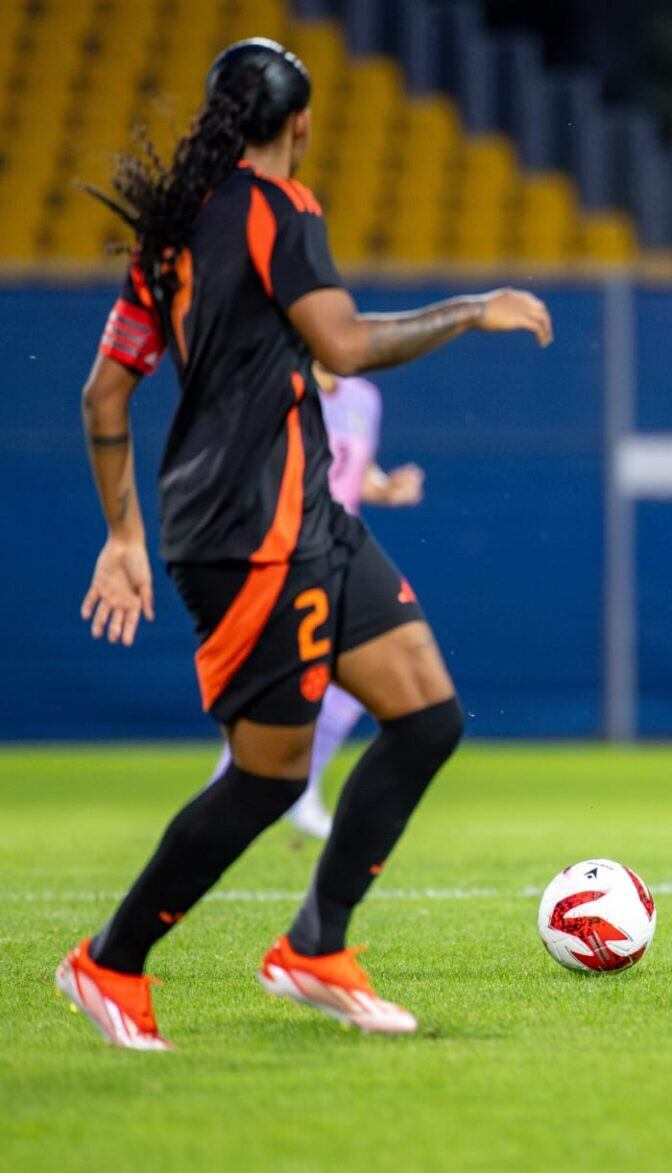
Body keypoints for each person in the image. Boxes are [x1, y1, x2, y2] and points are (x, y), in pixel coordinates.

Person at [58, 37, 552, 1049]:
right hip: (252, 527)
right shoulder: (282, 209)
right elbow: (345, 344)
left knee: (426, 712)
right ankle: (110, 961)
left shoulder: (176, 229)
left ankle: (314, 947)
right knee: (271, 775)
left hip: (304, 513)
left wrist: (122, 535)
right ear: (302, 123)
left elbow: (107, 389)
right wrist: (472, 309)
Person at [208, 364, 426, 841]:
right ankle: (225, 789)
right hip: (284, 552)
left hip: (342, 552)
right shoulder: (279, 390)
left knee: (360, 677)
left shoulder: (363, 397)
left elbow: (353, 470)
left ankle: (298, 787)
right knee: (280, 678)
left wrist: (386, 488)